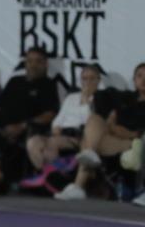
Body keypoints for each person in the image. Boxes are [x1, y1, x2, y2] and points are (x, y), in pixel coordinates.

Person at [55, 62, 145, 202]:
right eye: (139, 76)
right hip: (111, 139)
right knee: (94, 119)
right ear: (134, 80)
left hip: (134, 143)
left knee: (89, 142)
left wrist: (117, 129)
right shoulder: (126, 97)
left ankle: (79, 185)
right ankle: (89, 155)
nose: (143, 79)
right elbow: (108, 116)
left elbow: (138, 134)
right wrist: (112, 126)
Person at [25, 63, 101, 186]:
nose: (88, 81)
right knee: (32, 142)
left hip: (80, 137)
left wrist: (87, 99)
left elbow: (90, 120)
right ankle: (47, 175)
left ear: (98, 80)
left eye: (92, 78)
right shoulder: (71, 97)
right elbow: (59, 118)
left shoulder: (100, 98)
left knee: (51, 144)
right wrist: (56, 127)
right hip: (59, 133)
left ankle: (55, 180)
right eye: (85, 78)